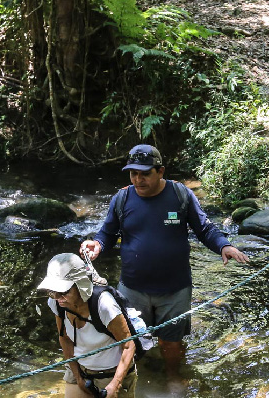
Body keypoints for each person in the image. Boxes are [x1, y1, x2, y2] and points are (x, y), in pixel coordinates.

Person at [81, 144, 249, 379]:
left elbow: (204, 228)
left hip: (175, 290)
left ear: (160, 171)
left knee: (171, 345)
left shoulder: (180, 195)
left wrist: (224, 245)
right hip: (132, 288)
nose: (138, 179)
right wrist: (97, 244)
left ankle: (173, 378)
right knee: (131, 342)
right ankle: (137, 383)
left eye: (145, 173)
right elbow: (107, 233)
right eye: (133, 173)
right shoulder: (122, 198)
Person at [38, 253, 136, 398]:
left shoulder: (104, 305)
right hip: (81, 369)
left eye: (64, 292)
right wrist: (77, 376)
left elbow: (129, 345)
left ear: (80, 285)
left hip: (112, 373)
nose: (58, 298)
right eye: (53, 292)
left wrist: (115, 385)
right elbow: (65, 339)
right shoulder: (56, 303)